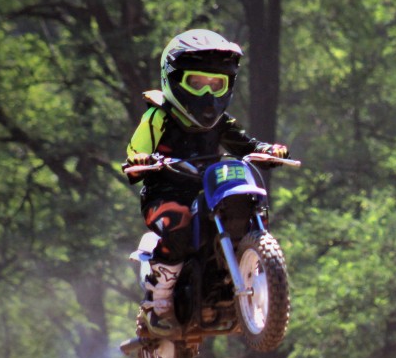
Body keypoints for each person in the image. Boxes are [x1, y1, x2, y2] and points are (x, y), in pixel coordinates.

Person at [122, 29, 288, 340]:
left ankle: (245, 271)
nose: (207, 94)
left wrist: (267, 150)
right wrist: (141, 159)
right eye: (197, 84)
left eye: (216, 84)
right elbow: (135, 152)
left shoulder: (221, 123)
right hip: (165, 194)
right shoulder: (159, 117)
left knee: (245, 207)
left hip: (210, 193)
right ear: (174, 79)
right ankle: (159, 302)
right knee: (179, 221)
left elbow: (245, 144)